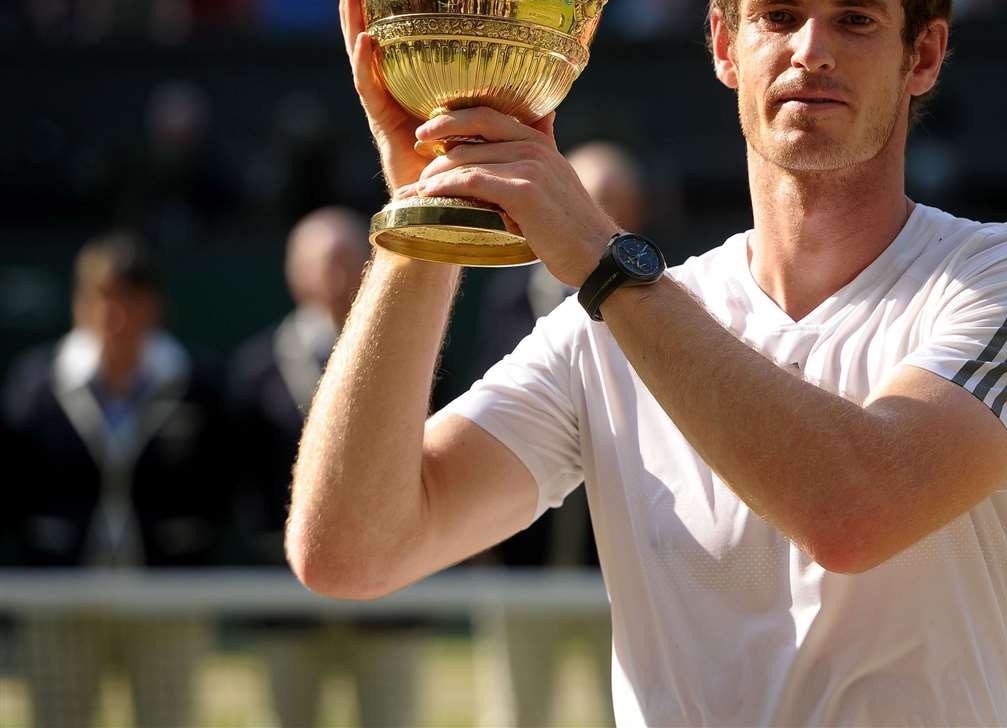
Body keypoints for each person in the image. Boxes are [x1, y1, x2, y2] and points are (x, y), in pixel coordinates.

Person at [285, 0, 1007, 725]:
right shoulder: (612, 324)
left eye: (856, 20)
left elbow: (854, 513)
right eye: (778, 15)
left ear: (925, 54)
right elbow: (348, 552)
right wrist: (425, 211)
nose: (810, 50)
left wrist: (605, 264)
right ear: (724, 46)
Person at [0, 232, 230, 728]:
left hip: (168, 594)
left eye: (128, 299)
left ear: (153, 305)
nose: (114, 315)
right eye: (101, 297)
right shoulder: (35, 383)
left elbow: (222, 483)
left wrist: (188, 543)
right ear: (80, 303)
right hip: (59, 594)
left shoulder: (198, 384)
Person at [472, 142, 650, 728]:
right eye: (594, 201)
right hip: (522, 563)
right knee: (517, 710)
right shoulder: (504, 303)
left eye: (618, 206)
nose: (604, 219)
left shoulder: (670, 302)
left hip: (625, 566)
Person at [227, 207, 426, 728]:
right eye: (324, 263)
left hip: (390, 597)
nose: (338, 276)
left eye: (351, 260)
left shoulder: (413, 355)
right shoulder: (255, 370)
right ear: (296, 274)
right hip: (286, 600)